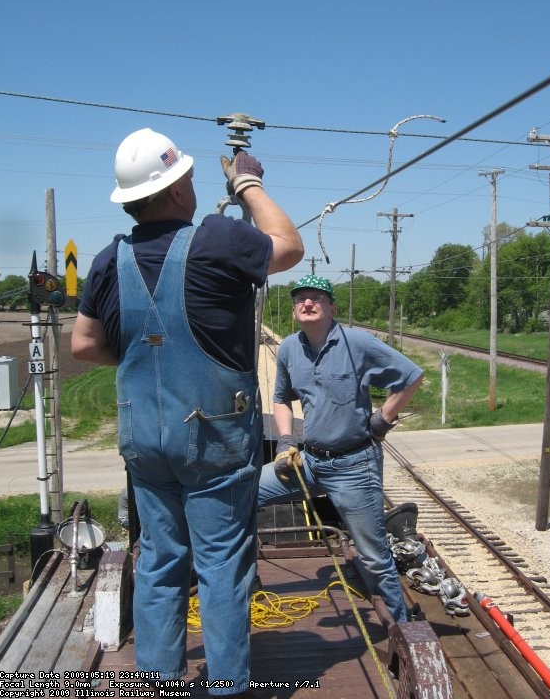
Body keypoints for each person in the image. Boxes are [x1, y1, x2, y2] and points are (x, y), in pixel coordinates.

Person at [71, 127, 303, 698]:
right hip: (214, 443)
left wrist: (136, 354)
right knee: (222, 564)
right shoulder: (218, 239)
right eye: (191, 179)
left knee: (160, 560)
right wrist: (247, 183)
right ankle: (226, 687)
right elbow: (288, 246)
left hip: (145, 442)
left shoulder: (107, 260)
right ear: (175, 190)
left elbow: (82, 345)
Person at [258, 274, 423, 625]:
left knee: (374, 556)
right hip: (308, 461)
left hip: (354, 466)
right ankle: (242, 582)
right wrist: (286, 441)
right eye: (300, 298)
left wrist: (382, 420)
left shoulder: (357, 343)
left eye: (317, 297)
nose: (307, 302)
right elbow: (280, 399)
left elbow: (411, 376)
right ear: (293, 311)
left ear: (332, 308)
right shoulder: (289, 348)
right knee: (243, 492)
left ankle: (403, 631)